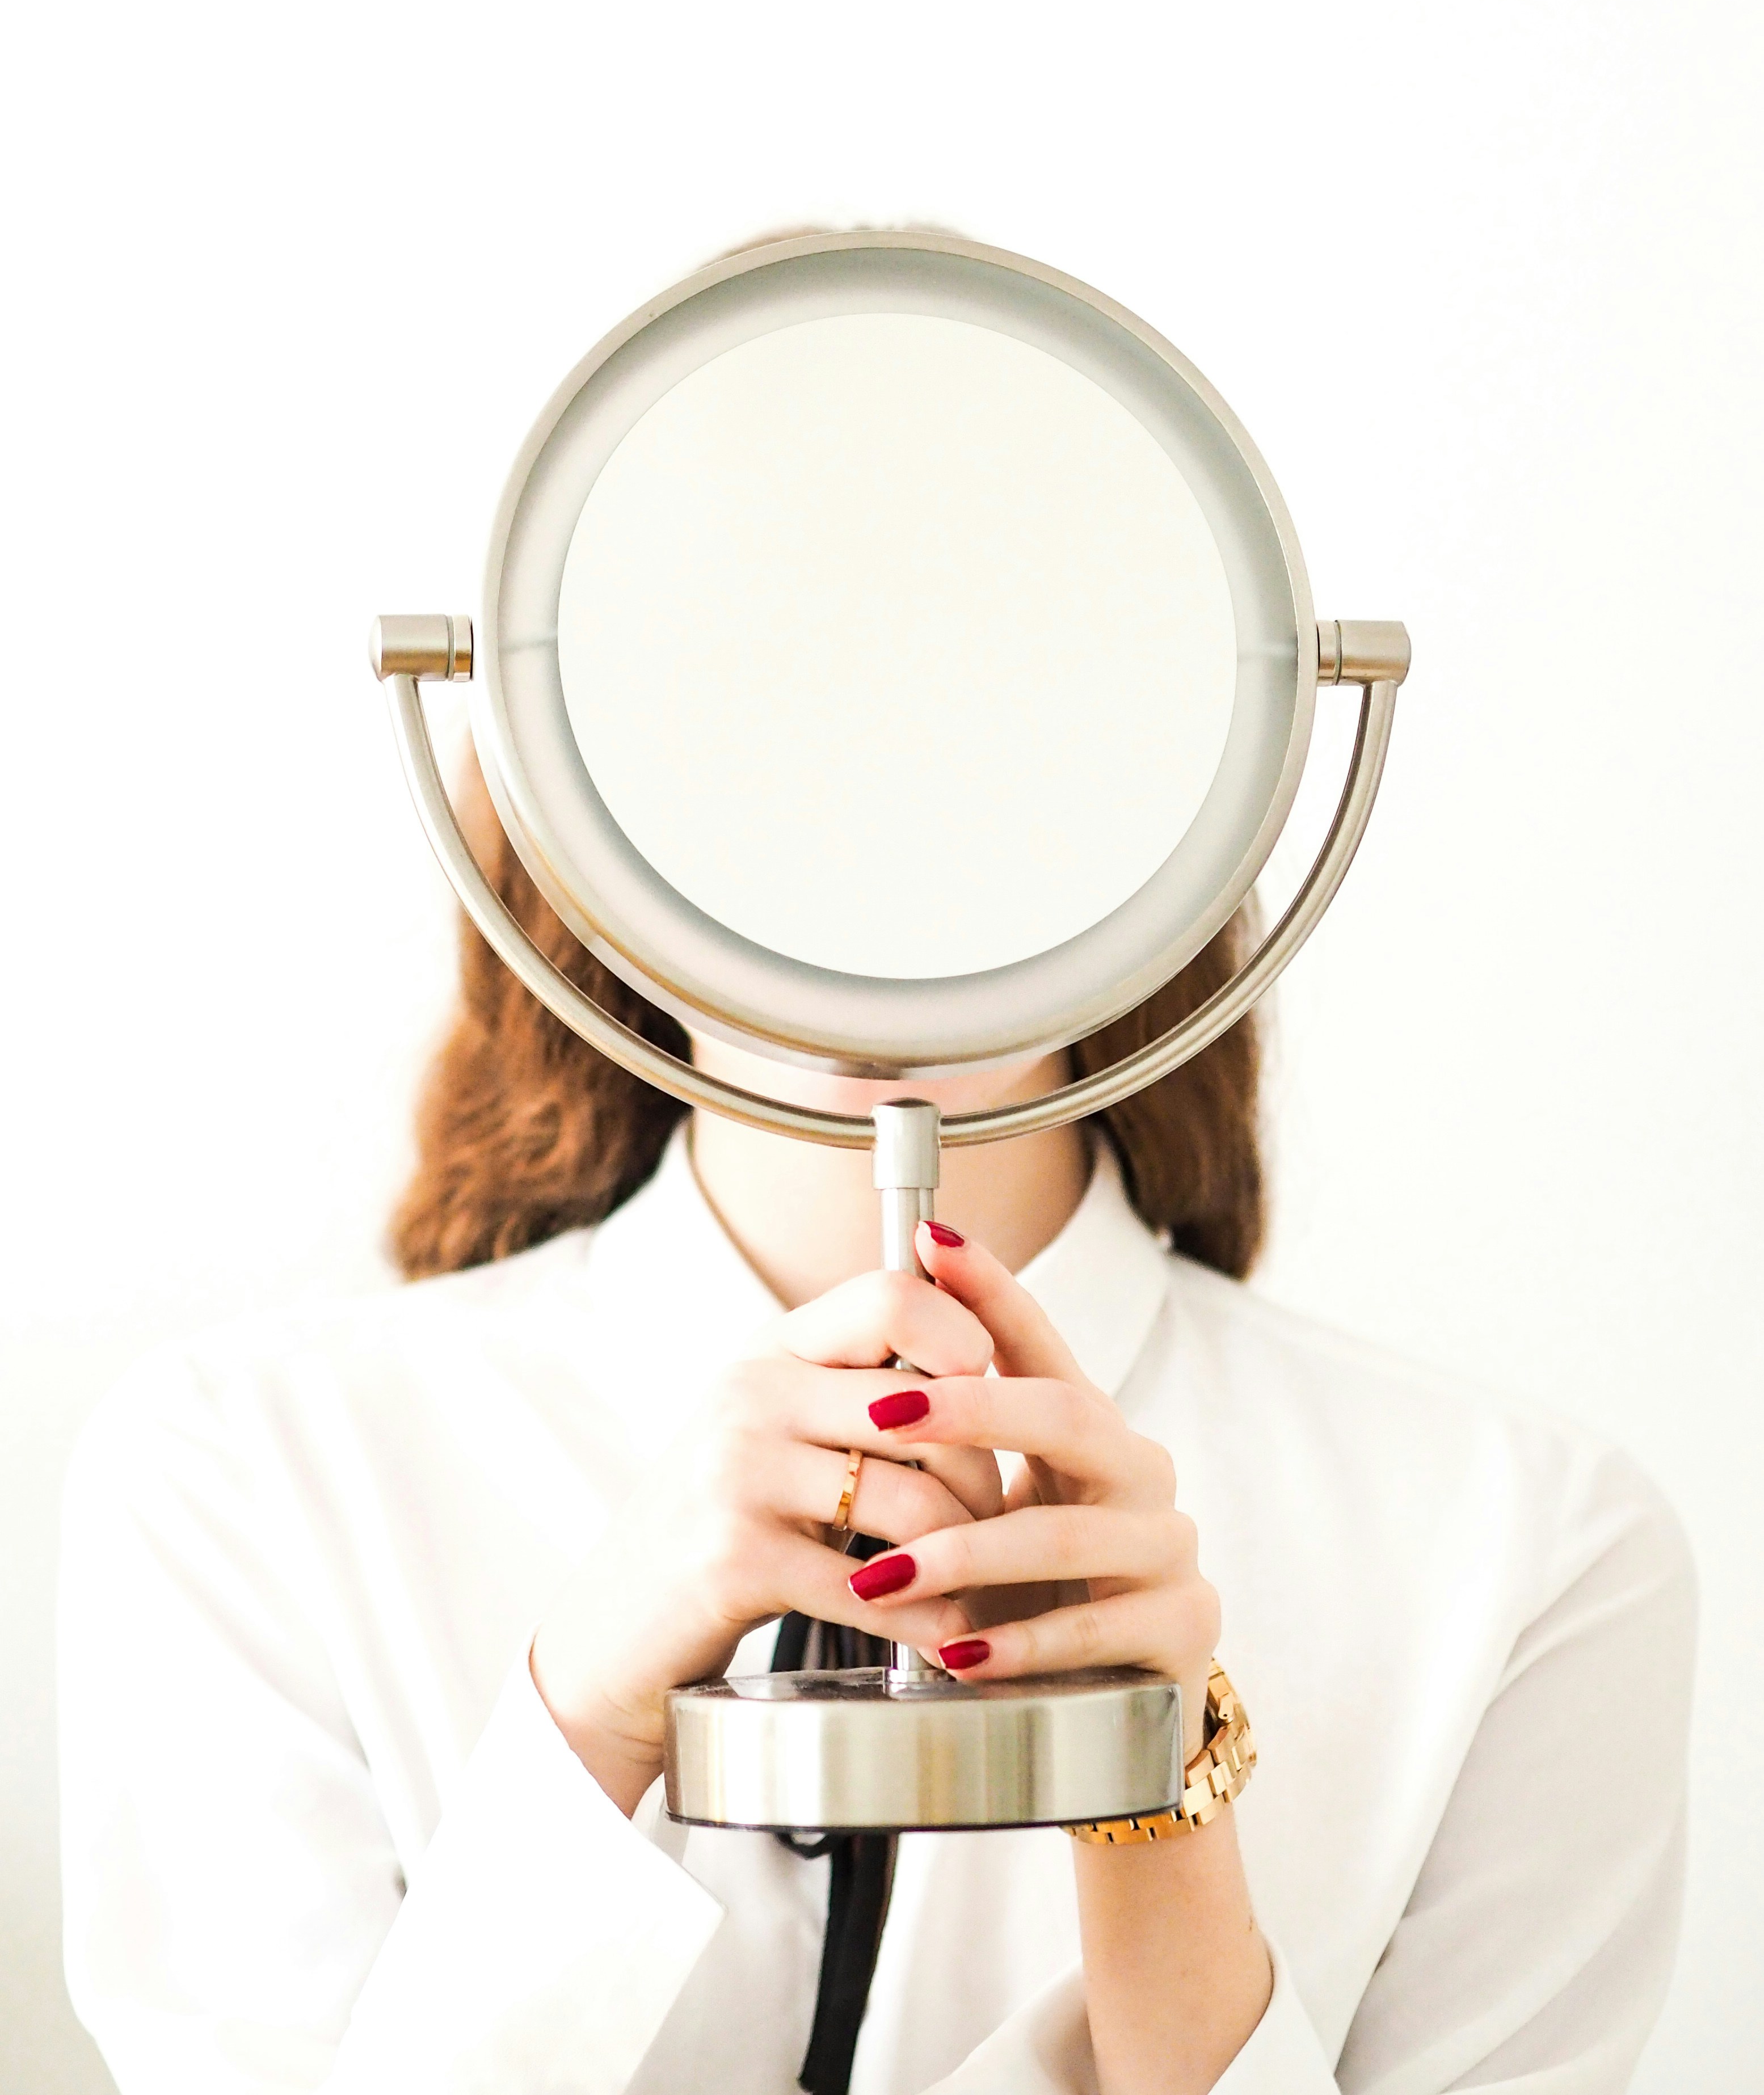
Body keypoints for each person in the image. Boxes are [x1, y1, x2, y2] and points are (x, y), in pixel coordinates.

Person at [59, 756, 1693, 2095]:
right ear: (573, 770)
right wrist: (577, 1725)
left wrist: (1162, 1803)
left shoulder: (1533, 1552)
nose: (865, 844)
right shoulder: (239, 1478)